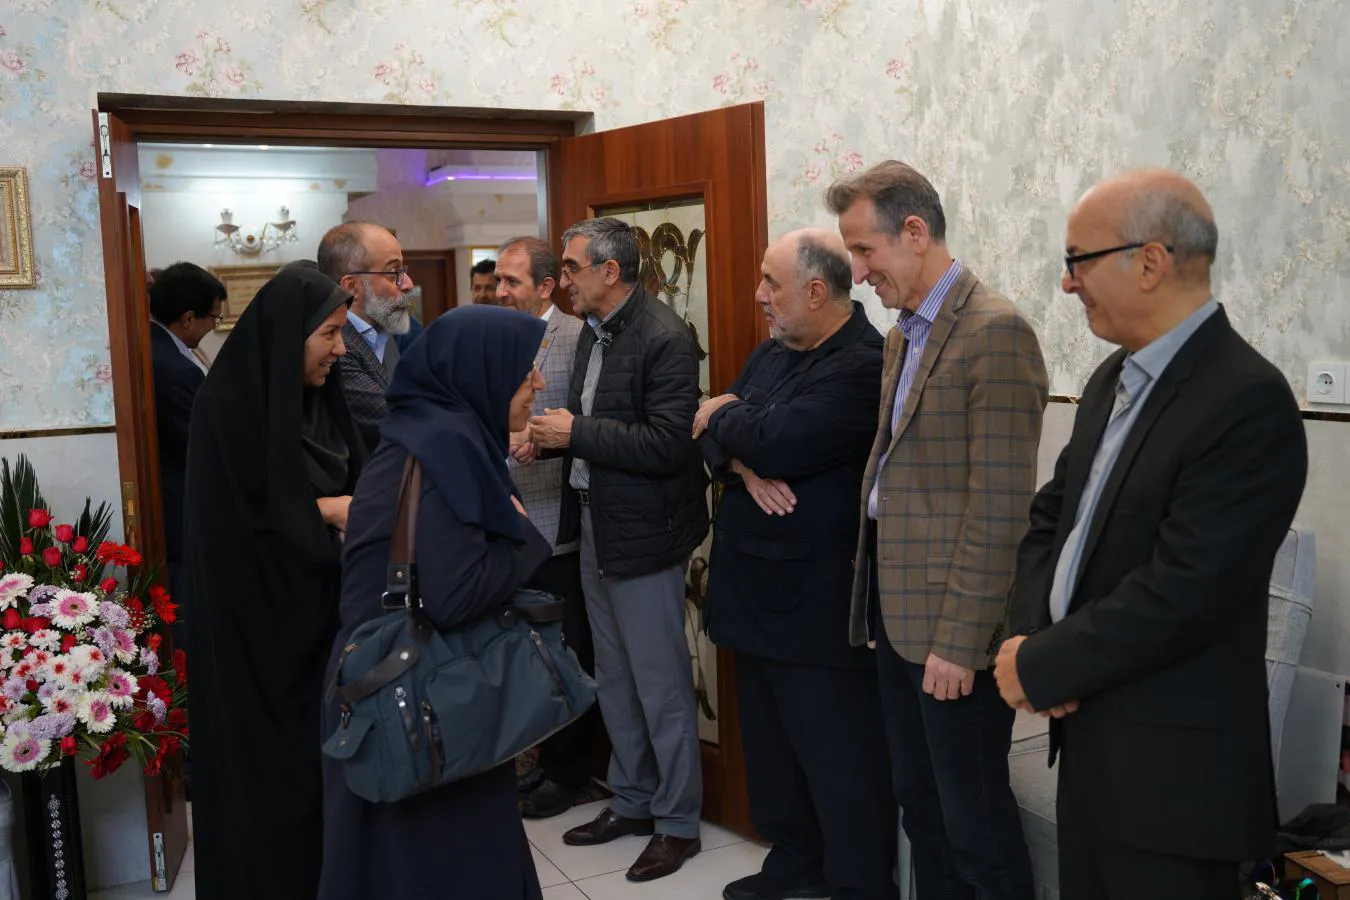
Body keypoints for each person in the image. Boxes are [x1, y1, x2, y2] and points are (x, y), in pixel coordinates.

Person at [996, 169, 1309, 899]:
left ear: (1150, 262)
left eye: (1078, 260)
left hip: (1174, 786)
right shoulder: (1113, 379)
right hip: (1090, 748)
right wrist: (1030, 634)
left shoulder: (1248, 399)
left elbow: (1186, 590)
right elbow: (1051, 519)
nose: (1067, 283)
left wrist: (1046, 665)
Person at [829, 160, 1045, 899]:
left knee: (974, 826)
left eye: (865, 251)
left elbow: (1000, 510)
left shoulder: (996, 331)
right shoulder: (904, 336)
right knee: (920, 808)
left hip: (956, 631)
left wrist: (959, 643)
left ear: (915, 232)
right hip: (897, 617)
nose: (858, 273)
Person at [319, 305, 554, 900]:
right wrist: (524, 539)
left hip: (401, 687)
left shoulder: (432, 433)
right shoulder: (446, 448)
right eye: (525, 370)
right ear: (482, 375)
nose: (538, 382)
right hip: (414, 697)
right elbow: (454, 596)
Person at [696, 229, 895, 900]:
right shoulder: (773, 352)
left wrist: (732, 427)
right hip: (751, 595)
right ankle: (793, 865)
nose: (759, 295)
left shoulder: (863, 363)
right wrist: (741, 460)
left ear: (815, 291)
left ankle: (856, 884)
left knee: (840, 762)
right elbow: (706, 432)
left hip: (816, 607)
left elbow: (778, 439)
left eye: (770, 283)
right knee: (773, 755)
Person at [530, 217, 708, 882]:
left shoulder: (664, 337)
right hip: (594, 524)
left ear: (611, 271)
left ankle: (678, 823)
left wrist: (574, 433)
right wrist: (546, 439)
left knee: (660, 685)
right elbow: (592, 429)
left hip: (645, 535)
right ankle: (632, 800)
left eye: (572, 268)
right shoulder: (593, 330)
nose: (564, 281)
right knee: (614, 677)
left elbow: (667, 443)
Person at [183, 264, 366, 900]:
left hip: (325, 628)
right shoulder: (227, 409)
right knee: (270, 791)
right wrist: (328, 512)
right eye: (329, 335)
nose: (340, 351)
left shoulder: (320, 400)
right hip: (256, 639)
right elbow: (235, 530)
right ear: (290, 336)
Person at [496, 235, 603, 819]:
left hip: (557, 524)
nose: (500, 291)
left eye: (511, 281)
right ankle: (539, 759)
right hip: (507, 522)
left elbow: (586, 424)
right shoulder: (497, 333)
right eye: (497, 280)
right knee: (527, 651)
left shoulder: (576, 336)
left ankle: (569, 770)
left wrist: (542, 438)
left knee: (567, 651)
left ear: (544, 286)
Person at [148, 261, 225, 649]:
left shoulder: (162, 347)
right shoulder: (175, 367)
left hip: (175, 501)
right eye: (213, 318)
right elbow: (200, 445)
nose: (214, 326)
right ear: (188, 317)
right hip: (180, 507)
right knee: (184, 615)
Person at [317, 221, 416, 451]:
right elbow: (400, 423)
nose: (408, 284)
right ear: (351, 287)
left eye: (403, 272)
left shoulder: (381, 332)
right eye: (394, 273)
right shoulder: (336, 348)